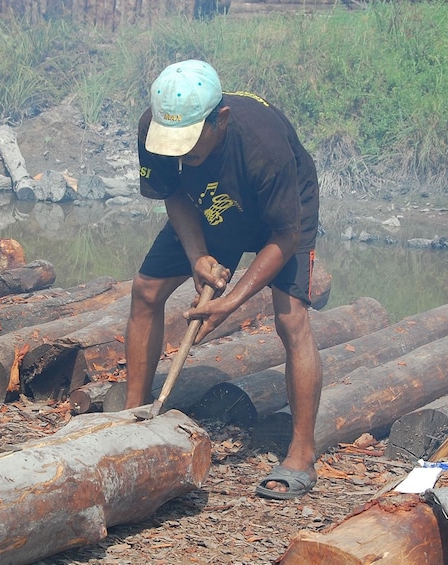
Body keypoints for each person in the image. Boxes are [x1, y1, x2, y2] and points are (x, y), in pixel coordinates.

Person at [124, 59, 325, 500]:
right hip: (209, 200)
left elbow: (285, 236)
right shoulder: (153, 126)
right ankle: (132, 416)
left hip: (283, 216)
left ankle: (302, 452)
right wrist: (199, 256)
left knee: (291, 320)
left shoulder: (263, 147)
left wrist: (232, 299)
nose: (177, 153)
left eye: (189, 146)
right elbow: (174, 190)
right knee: (146, 291)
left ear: (221, 120)